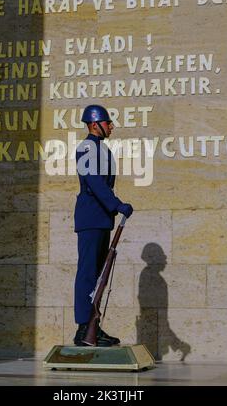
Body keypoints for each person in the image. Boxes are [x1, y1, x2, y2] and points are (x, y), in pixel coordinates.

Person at [73, 104, 134, 346]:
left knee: (98, 278)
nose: (112, 126)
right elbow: (95, 183)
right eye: (108, 122)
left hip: (100, 219)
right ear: (95, 124)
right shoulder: (87, 147)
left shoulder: (102, 149)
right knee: (87, 274)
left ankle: (93, 327)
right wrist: (116, 204)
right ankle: (82, 329)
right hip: (91, 218)